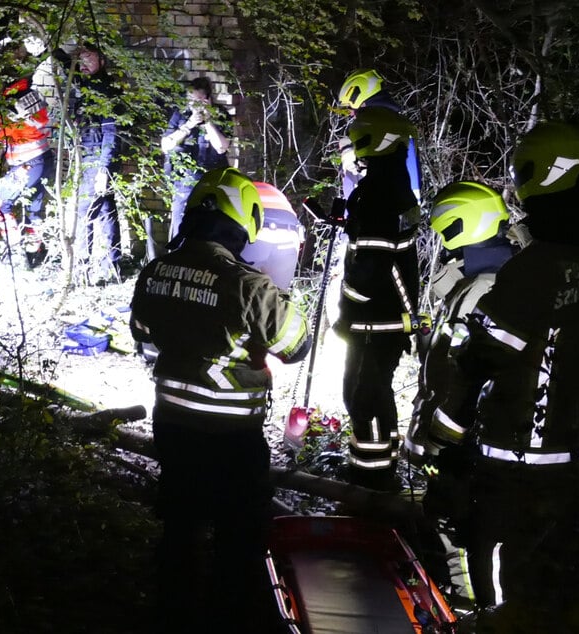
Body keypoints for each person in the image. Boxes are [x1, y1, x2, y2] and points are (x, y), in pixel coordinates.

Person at [430, 122, 579, 622]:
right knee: (551, 564)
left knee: (499, 571)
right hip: (576, 450)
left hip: (516, 455)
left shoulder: (534, 269)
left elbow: (483, 359)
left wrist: (447, 437)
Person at [130, 167, 311, 634]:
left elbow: (146, 342)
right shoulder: (248, 285)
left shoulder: (153, 272)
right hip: (232, 436)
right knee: (238, 533)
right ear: (242, 220)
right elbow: (295, 346)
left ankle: (172, 614)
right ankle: (229, 620)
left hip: (171, 423)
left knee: (180, 524)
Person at [401, 180, 515, 610]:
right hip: (471, 434)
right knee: (453, 515)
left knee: (458, 522)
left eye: (445, 227)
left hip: (462, 438)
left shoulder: (481, 288)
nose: (442, 238)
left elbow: (460, 373)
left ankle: (469, 605)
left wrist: (439, 438)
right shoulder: (491, 278)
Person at [334, 106, 421, 491]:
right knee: (373, 389)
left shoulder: (377, 193)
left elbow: (370, 263)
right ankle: (376, 467)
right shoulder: (394, 183)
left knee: (362, 394)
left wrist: (346, 309)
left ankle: (371, 479)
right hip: (391, 314)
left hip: (373, 318)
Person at [56, 41, 123, 283]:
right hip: (88, 154)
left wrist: (103, 169)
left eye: (90, 59)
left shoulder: (105, 90)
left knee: (85, 211)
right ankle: (111, 269)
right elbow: (66, 66)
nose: (84, 64)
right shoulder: (85, 84)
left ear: (102, 62)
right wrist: (50, 48)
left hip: (98, 158)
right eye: (81, 59)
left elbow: (111, 132)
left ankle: (82, 270)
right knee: (105, 210)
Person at [0, 50, 54, 268]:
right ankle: (34, 253)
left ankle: (16, 252)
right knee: (33, 209)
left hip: (29, 162)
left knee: (1, 204)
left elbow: (31, 123)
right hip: (34, 162)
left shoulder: (20, 97)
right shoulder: (11, 97)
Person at [154, 76, 231, 259]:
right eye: (191, 101)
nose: (193, 106)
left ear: (208, 100)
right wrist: (189, 125)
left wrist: (207, 123)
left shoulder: (220, 115)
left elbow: (222, 147)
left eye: (198, 101)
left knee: (212, 224)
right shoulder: (180, 115)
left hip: (212, 179)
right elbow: (166, 145)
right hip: (185, 179)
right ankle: (178, 259)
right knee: (181, 222)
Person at [336, 68, 422, 203]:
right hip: (405, 208)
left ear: (359, 98)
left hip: (376, 212)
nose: (351, 113)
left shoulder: (369, 124)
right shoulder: (403, 124)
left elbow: (367, 174)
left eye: (351, 108)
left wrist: (348, 158)